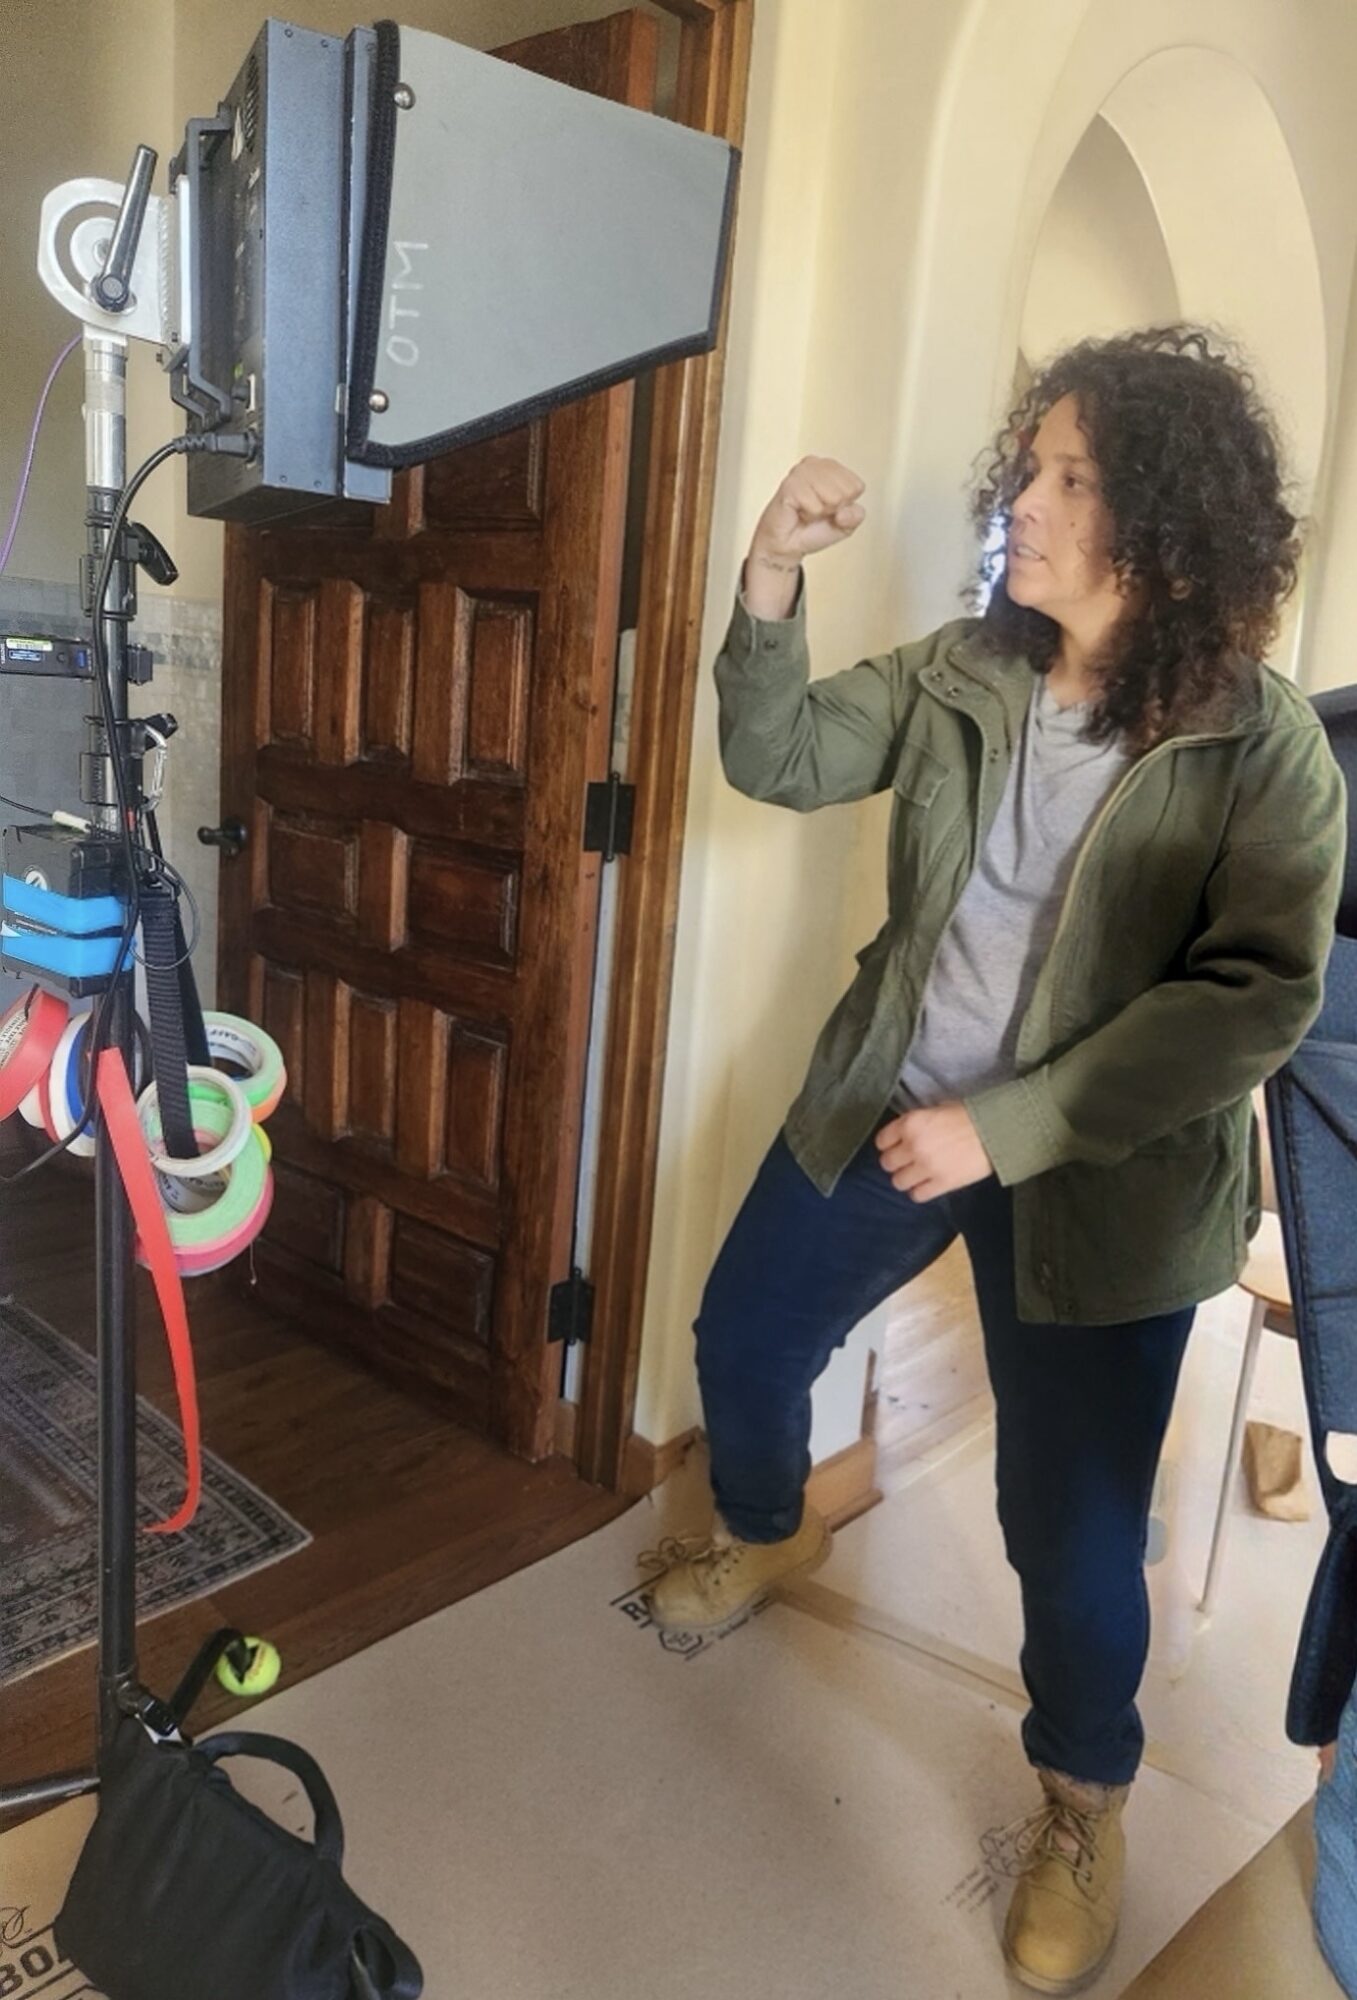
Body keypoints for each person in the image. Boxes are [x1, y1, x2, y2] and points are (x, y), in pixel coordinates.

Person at [642, 324, 1347, 1995]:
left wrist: (1008, 1128)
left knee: (1069, 1529)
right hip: (887, 1106)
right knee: (743, 1340)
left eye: (1066, 476)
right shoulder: (963, 669)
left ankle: (1080, 1800)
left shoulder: (1265, 754)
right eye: (1024, 467)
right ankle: (764, 1522)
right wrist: (762, 581)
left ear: (1162, 531)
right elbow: (778, 755)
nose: (1019, 501)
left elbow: (1248, 1004)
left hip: (1098, 1189)